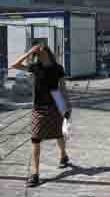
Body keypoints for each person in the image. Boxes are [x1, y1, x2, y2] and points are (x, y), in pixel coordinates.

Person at [9, 45, 71, 188]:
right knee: (35, 139)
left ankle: (63, 155)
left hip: (55, 106)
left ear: (48, 53)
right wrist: (29, 53)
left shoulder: (58, 68)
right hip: (38, 108)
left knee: (58, 135)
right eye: (37, 52)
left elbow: (63, 89)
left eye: (41, 51)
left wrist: (67, 106)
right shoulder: (35, 67)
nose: (39, 54)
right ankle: (35, 174)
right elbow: (14, 65)